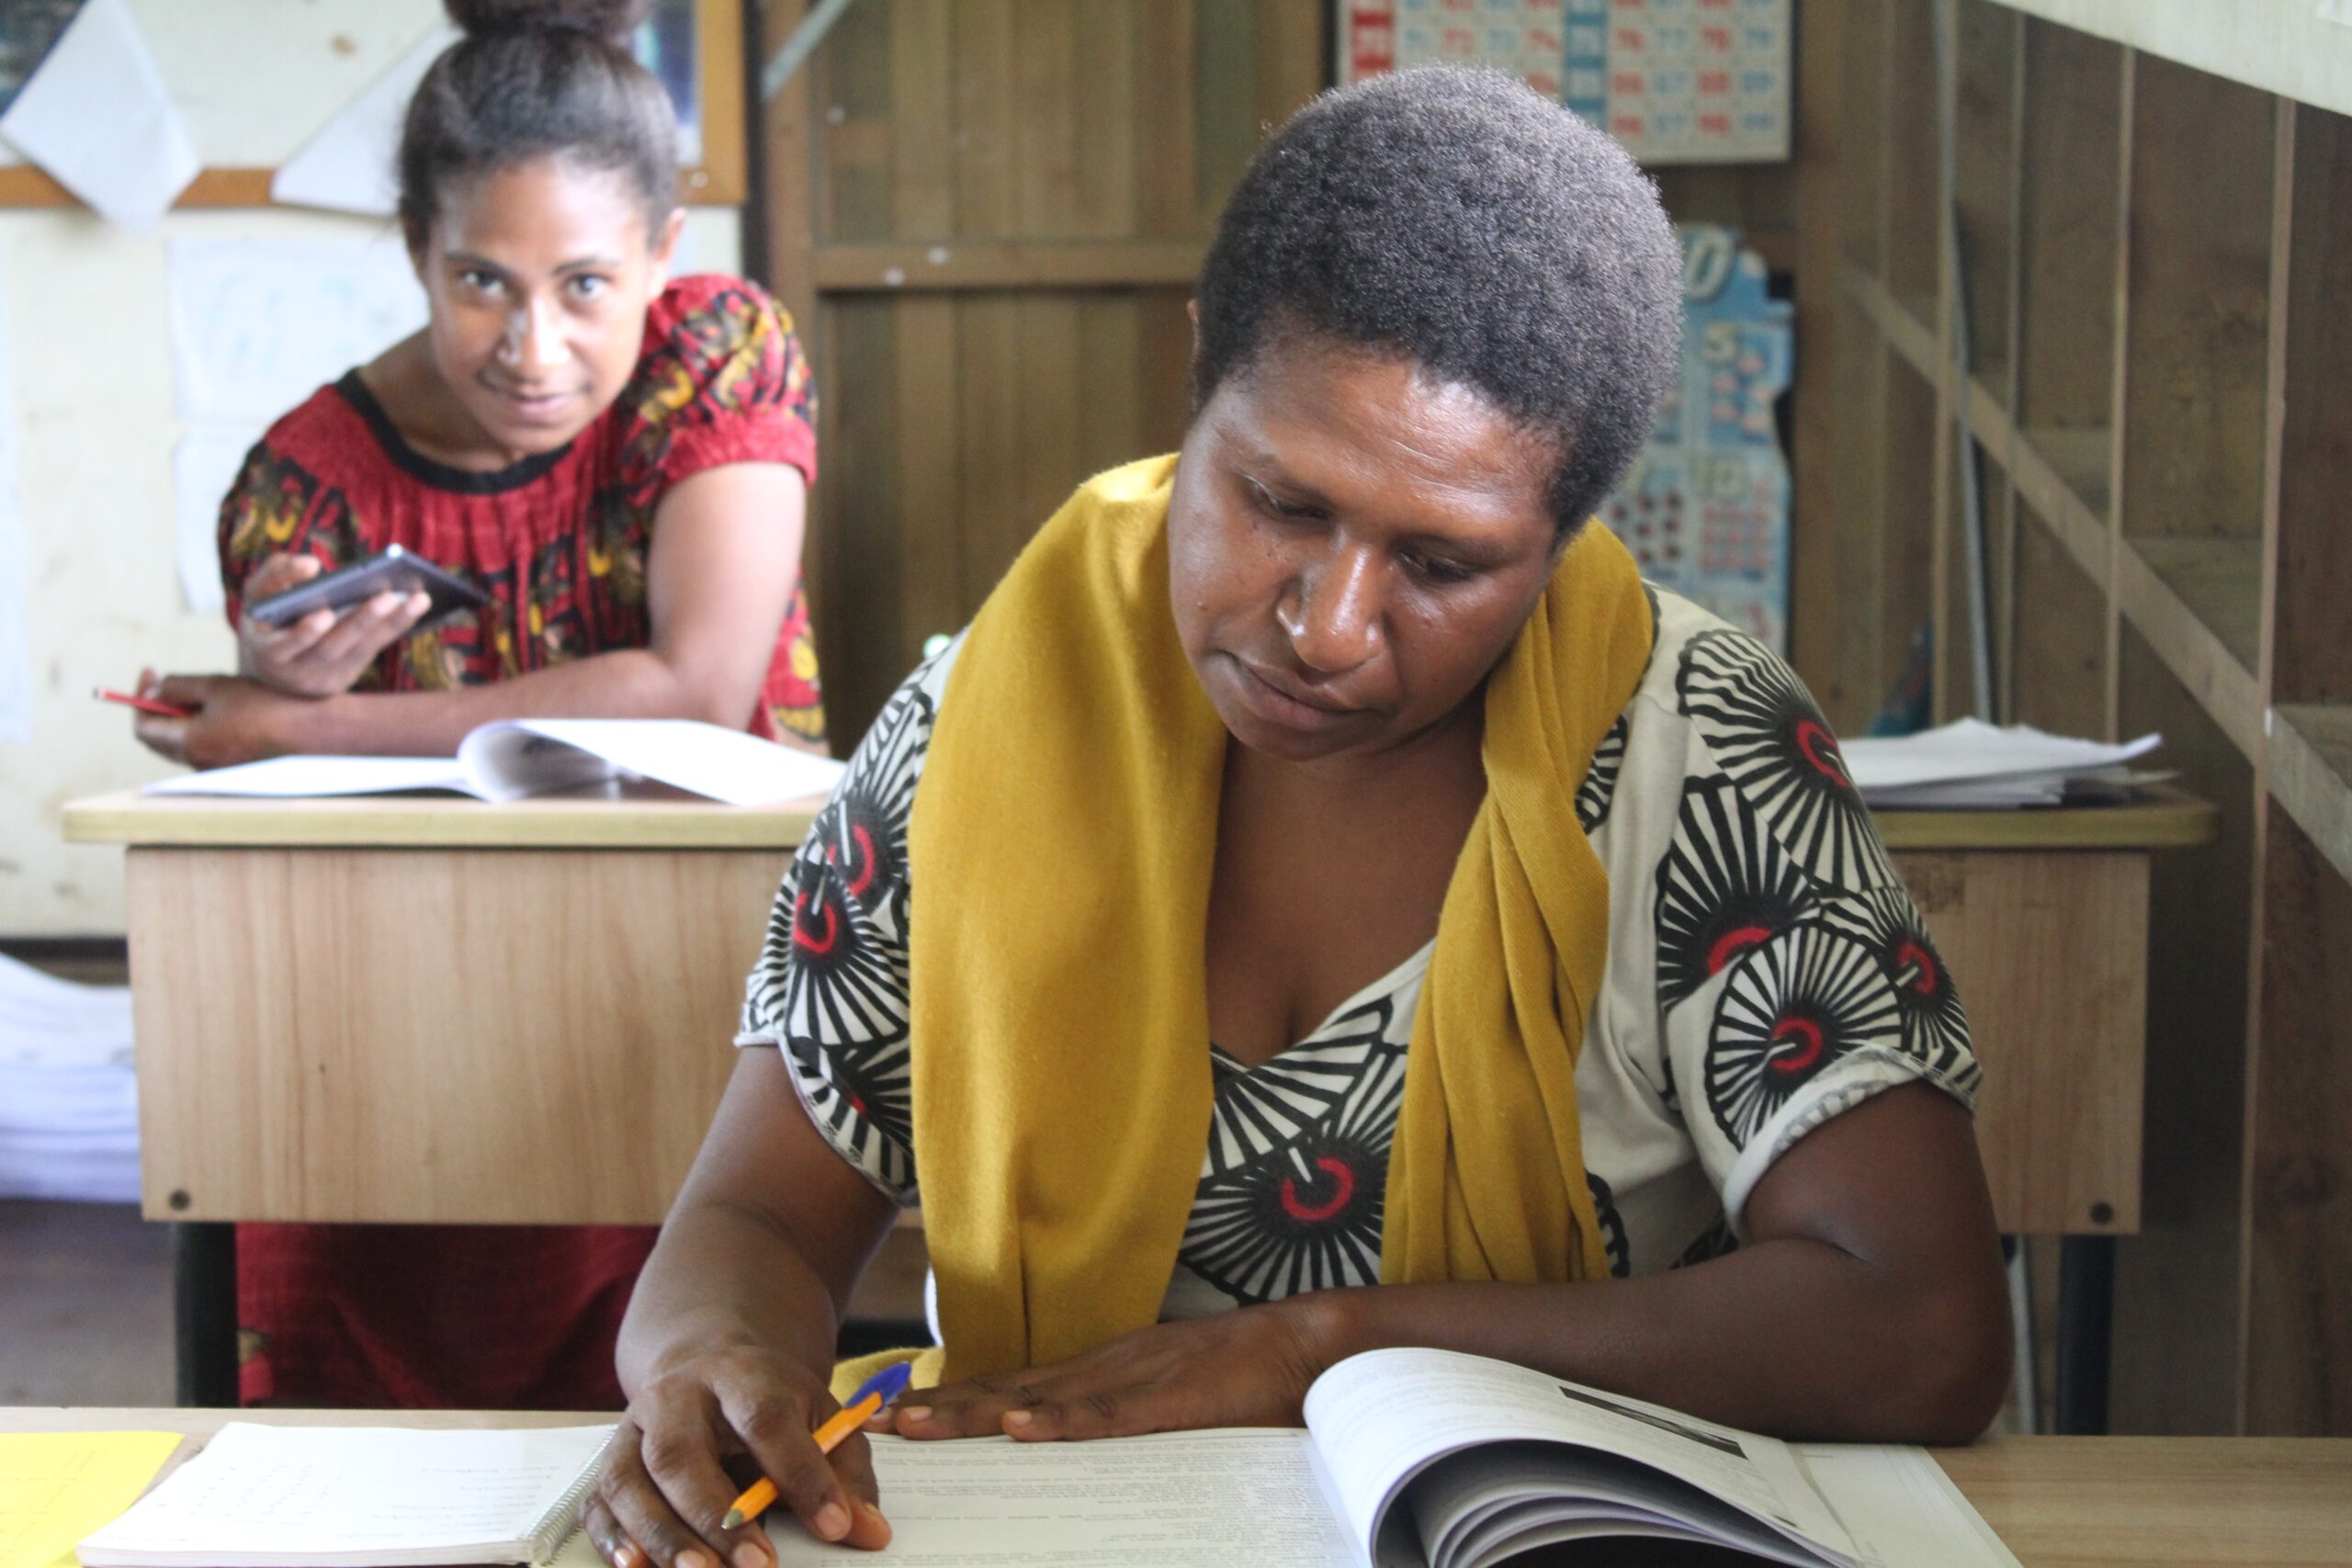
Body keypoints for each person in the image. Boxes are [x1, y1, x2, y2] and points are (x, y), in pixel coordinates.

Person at [585, 67, 2011, 1565]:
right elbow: (751, 1221)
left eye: (1445, 566)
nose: (1330, 626)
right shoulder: (989, 724)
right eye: (1282, 501)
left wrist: (1309, 1347)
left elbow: (1920, 1324)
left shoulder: (1694, 752)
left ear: (1564, 540)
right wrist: (711, 1368)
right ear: (1200, 372)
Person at [129, 0, 824, 1408]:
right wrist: (284, 679)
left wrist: (297, 724)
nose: (533, 345)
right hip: (398, 1027)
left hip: (700, 983)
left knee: (670, 1417)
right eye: (480, 282)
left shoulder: (717, 356)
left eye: (583, 284)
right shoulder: (306, 481)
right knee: (352, 1407)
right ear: (414, 259)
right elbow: (294, 768)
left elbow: (697, 685)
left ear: (662, 258)